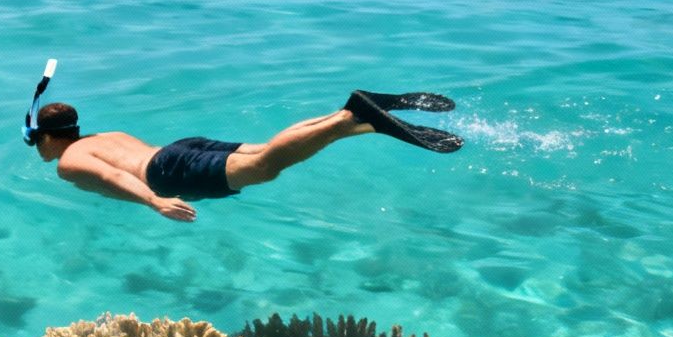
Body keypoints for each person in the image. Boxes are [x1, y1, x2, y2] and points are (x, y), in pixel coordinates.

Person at [30, 91, 461, 222]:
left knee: (265, 166)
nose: (38, 150)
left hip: (167, 173)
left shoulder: (70, 162)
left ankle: (353, 117)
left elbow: (112, 179)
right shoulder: (108, 133)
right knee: (265, 149)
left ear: (49, 137)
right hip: (179, 148)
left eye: (36, 141)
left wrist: (155, 201)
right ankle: (355, 115)